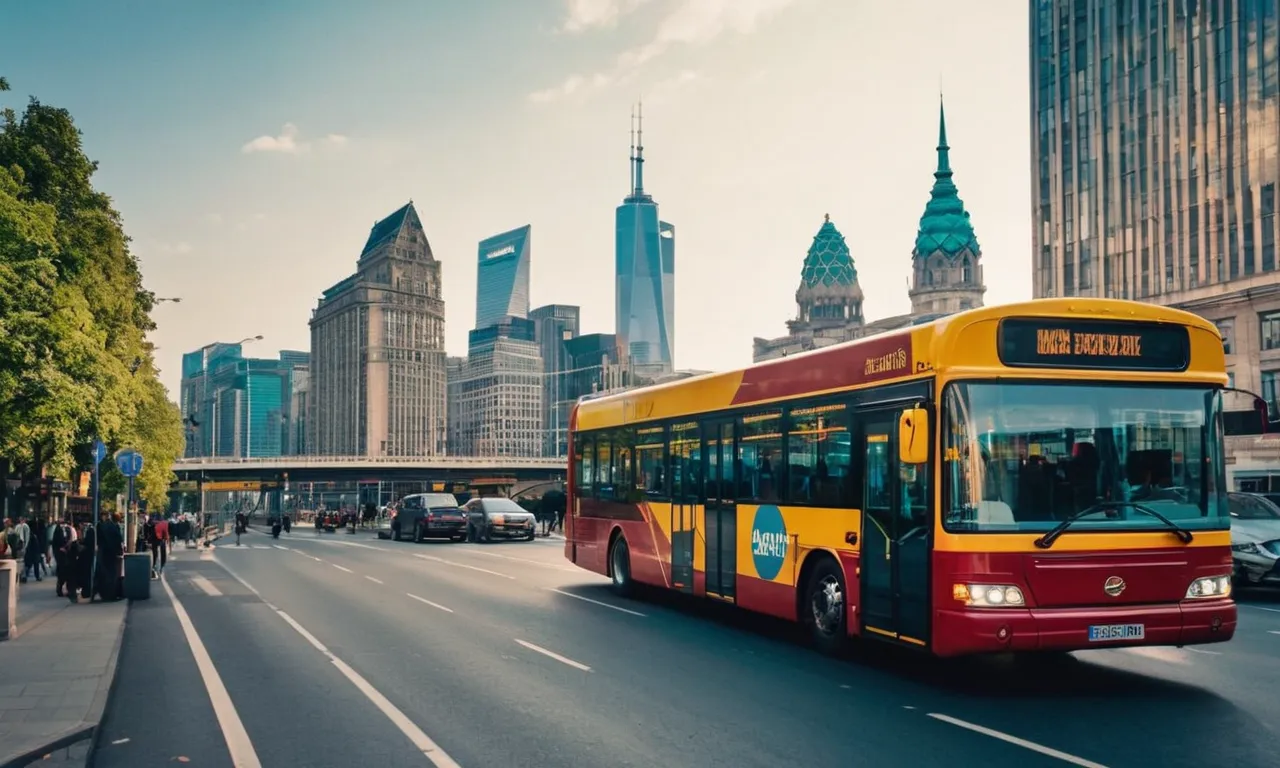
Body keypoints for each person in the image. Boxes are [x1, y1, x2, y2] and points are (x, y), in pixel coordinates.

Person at [50, 517, 77, 598]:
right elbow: (55, 542)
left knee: (67, 573)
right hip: (61, 555)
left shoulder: (68, 530)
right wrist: (59, 549)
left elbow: (71, 539)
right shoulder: (57, 530)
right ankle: (59, 589)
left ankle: (68, 589)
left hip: (67, 554)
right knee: (61, 573)